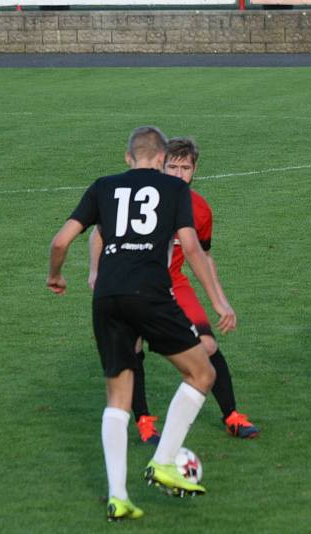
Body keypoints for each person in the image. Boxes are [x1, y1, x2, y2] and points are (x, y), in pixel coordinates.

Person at [47, 126, 236, 521]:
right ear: (162, 157)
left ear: (128, 156)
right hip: (149, 293)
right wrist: (219, 299)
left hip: (107, 298)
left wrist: (56, 276)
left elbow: (61, 241)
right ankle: (164, 461)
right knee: (201, 372)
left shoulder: (103, 186)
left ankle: (119, 497)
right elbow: (193, 249)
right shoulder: (175, 190)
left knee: (117, 398)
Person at [88, 137, 259, 443]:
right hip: (135, 284)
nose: (179, 174)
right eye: (173, 167)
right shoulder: (140, 196)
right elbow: (99, 234)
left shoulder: (200, 208)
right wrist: (95, 270)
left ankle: (232, 415)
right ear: (160, 164)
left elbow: (203, 255)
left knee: (207, 346)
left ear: (195, 170)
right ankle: (144, 422)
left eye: (186, 168)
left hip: (174, 284)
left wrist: (220, 299)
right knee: (134, 347)